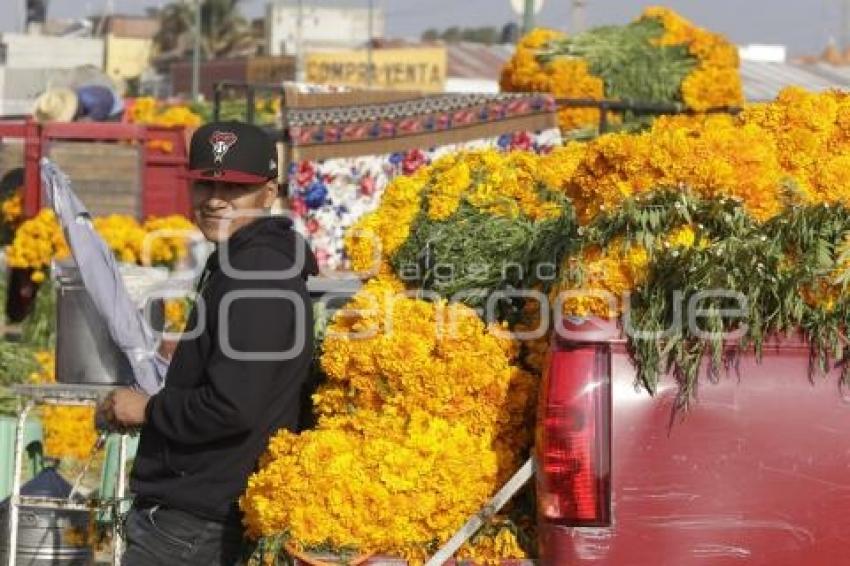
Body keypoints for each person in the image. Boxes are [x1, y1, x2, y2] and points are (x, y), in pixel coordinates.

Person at [98, 121, 318, 565]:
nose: (215, 199)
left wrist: (147, 409)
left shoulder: (257, 274)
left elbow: (233, 405)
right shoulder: (244, 262)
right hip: (199, 509)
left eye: (234, 188)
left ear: (268, 192)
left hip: (197, 520)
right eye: (205, 183)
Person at [33, 84, 125, 123]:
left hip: (112, 110)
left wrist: (87, 120)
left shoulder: (95, 102)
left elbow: (91, 121)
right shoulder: (80, 97)